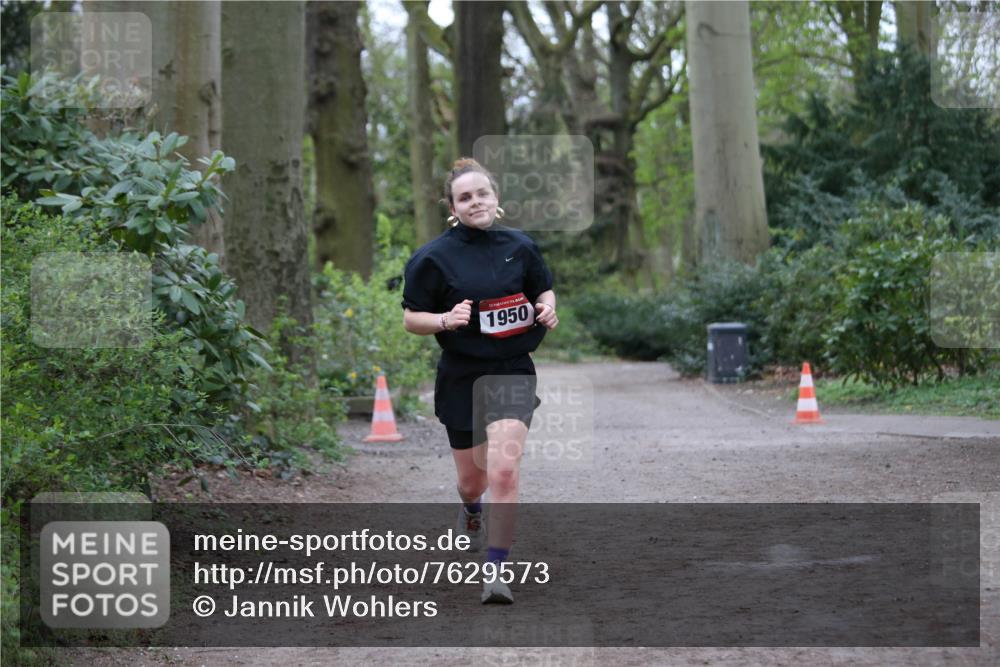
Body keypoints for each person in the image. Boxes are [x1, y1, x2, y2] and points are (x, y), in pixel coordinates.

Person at [401, 157, 558, 604]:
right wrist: (446, 319)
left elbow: (541, 290)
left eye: (482, 193)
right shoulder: (432, 258)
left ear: (496, 198)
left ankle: (496, 570)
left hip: (512, 369)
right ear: (452, 207)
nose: (476, 202)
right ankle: (471, 510)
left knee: (505, 471)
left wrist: (547, 307)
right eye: (465, 197)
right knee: (474, 482)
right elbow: (412, 319)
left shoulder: (520, 246)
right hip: (462, 375)